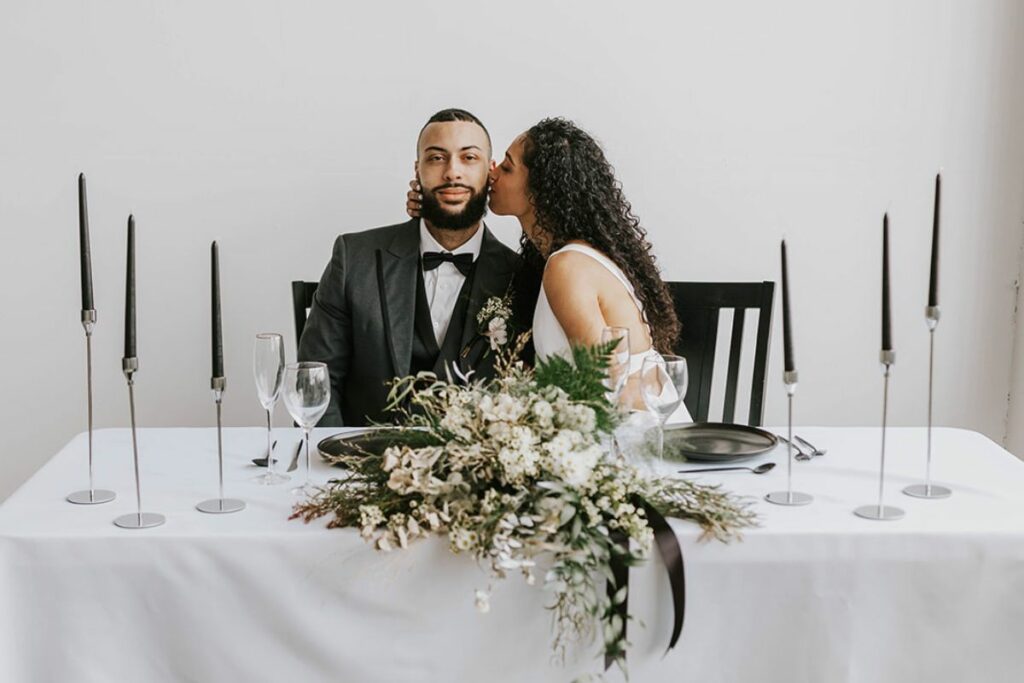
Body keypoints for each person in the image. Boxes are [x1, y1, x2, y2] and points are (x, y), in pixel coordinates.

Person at [408, 117, 691, 421]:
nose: (491, 174)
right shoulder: (557, 259)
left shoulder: (568, 266)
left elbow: (606, 386)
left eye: (506, 166)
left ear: (538, 186)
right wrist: (437, 203)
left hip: (640, 442)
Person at [299, 108, 535, 427]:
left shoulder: (522, 277)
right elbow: (316, 383)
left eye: (469, 158)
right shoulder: (353, 258)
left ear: (490, 173)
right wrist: (342, 465)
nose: (452, 172)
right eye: (437, 158)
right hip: (358, 467)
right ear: (418, 170)